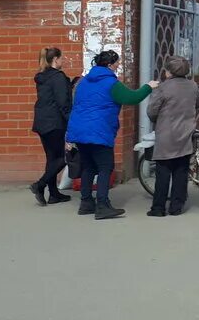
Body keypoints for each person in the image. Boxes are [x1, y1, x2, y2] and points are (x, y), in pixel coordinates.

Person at [65, 50, 158, 219]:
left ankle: (86, 203)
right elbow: (132, 98)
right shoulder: (111, 83)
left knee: (88, 167)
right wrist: (148, 87)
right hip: (98, 131)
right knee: (105, 167)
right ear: (109, 65)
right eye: (116, 63)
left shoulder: (83, 82)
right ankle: (102, 205)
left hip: (79, 130)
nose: (118, 66)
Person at [145, 56, 199, 217]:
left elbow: (152, 111)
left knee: (163, 172)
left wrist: (158, 120)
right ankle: (177, 206)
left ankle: (158, 208)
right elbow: (198, 101)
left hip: (166, 134)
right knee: (181, 171)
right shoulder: (192, 85)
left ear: (168, 72)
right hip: (186, 133)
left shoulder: (163, 88)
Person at [29, 47, 73, 206]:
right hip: (55, 122)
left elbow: (50, 96)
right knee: (67, 156)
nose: (63, 61)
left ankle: (53, 193)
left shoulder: (42, 77)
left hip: (42, 122)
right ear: (55, 59)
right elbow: (63, 103)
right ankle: (40, 184)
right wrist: (71, 123)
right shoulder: (58, 78)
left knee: (52, 158)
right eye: (61, 58)